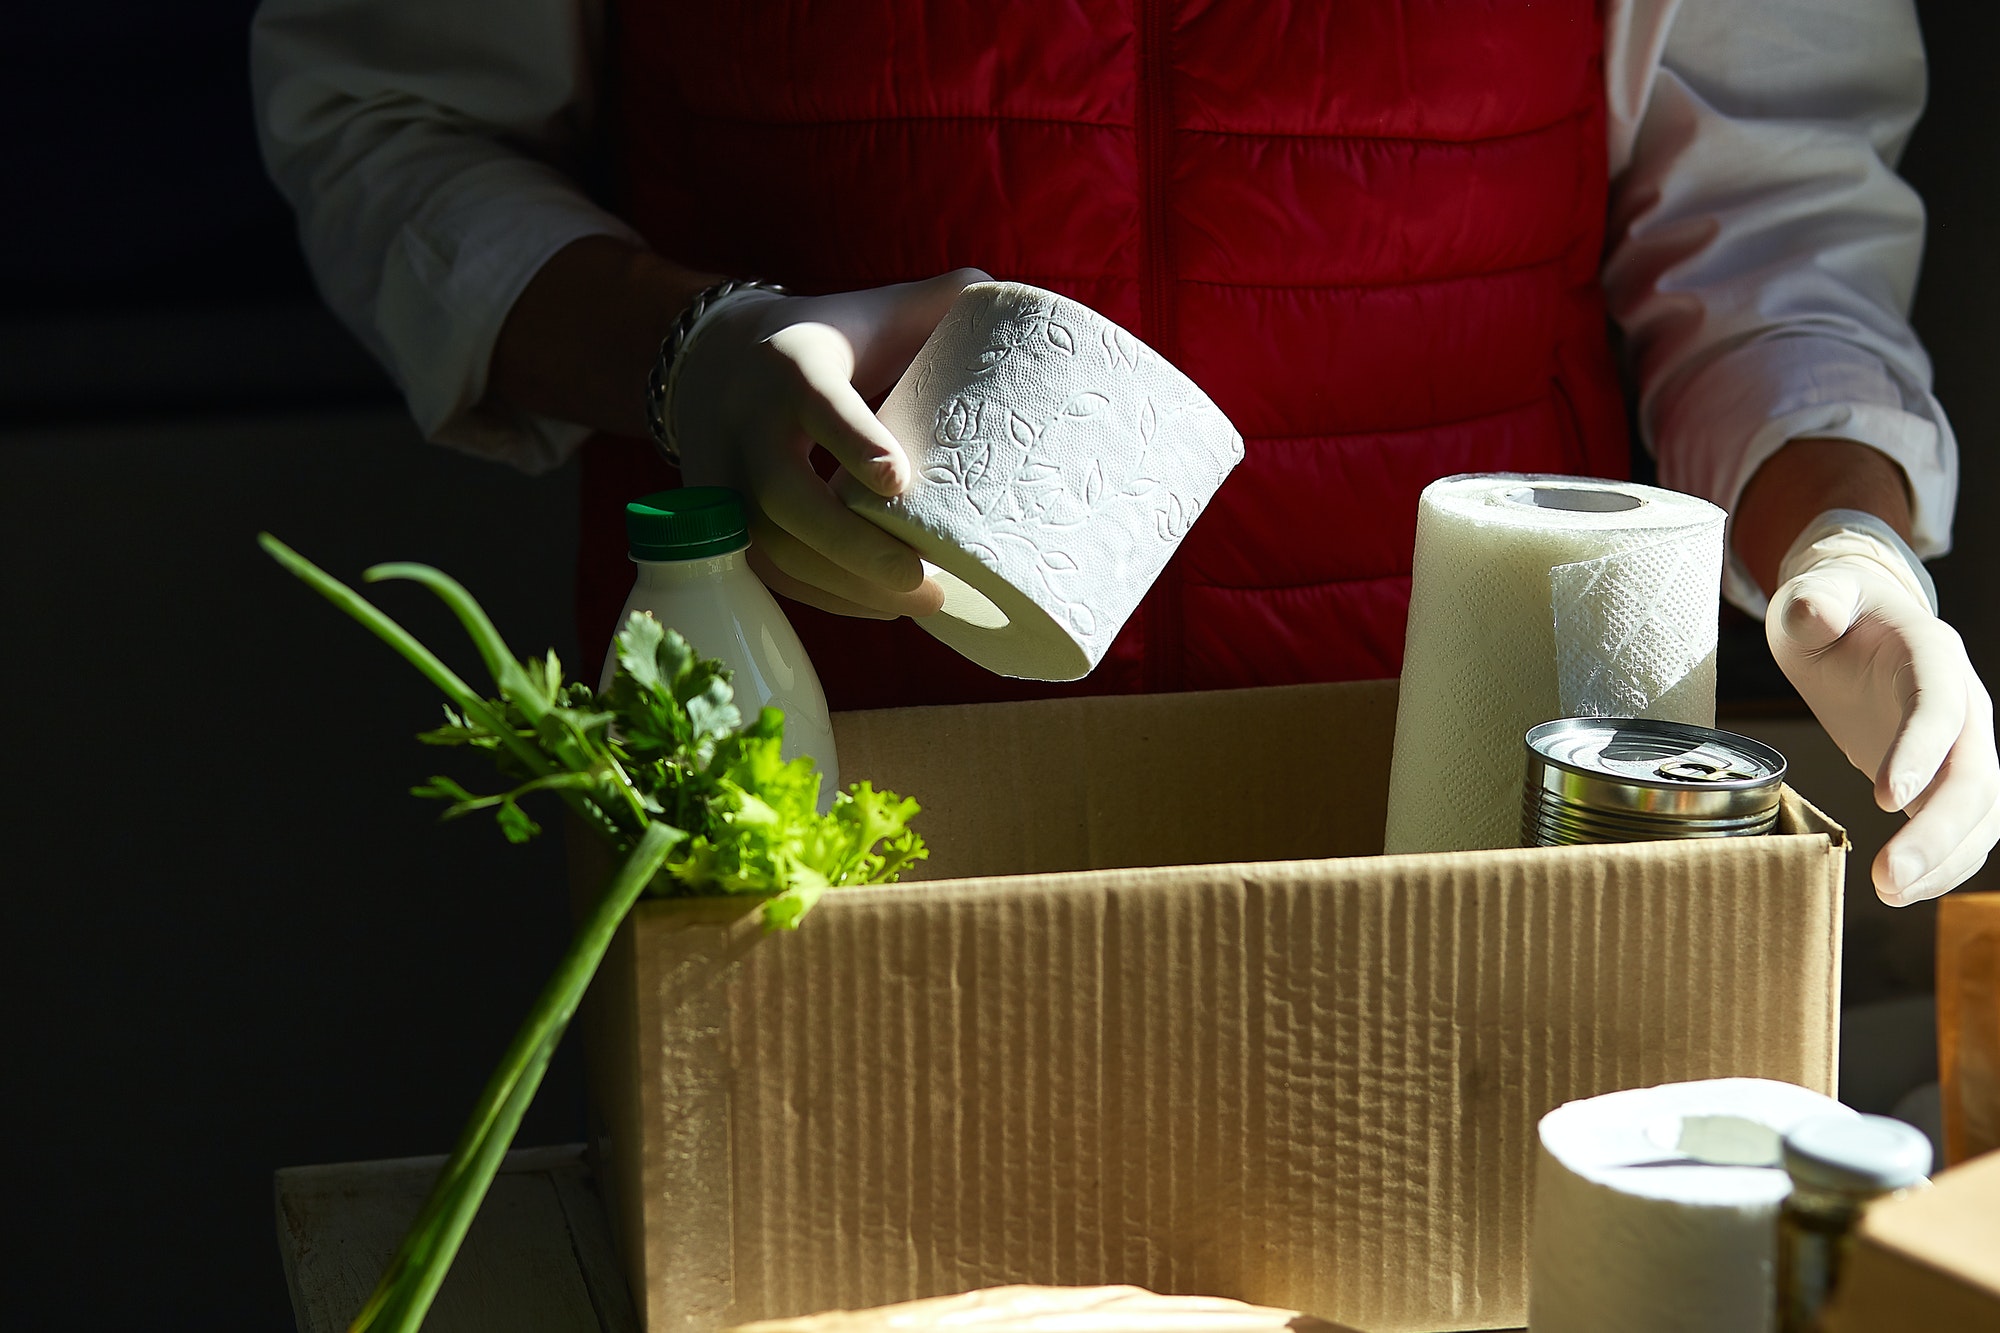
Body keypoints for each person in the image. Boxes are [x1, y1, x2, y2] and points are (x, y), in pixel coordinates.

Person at [252, 0, 1995, 904]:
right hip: (808, 824)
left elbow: (1770, 234)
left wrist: (1848, 547)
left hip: (1461, 849)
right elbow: (390, 126)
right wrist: (686, 352)